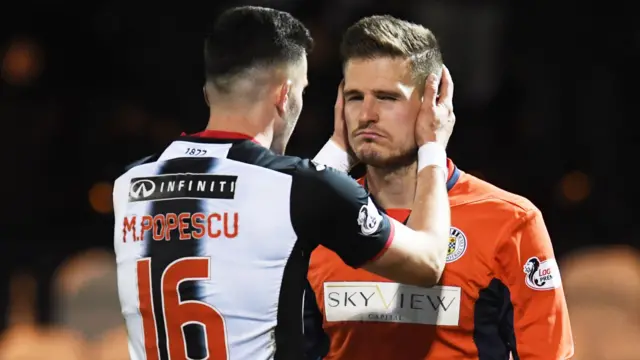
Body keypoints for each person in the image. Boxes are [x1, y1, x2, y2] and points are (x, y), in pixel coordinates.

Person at [113, 6, 455, 360]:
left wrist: (339, 149)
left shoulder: (129, 183)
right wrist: (431, 144)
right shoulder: (299, 188)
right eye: (302, 92)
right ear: (284, 95)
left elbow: (269, 223)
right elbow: (427, 261)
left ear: (208, 93)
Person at [304, 15, 574, 360]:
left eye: (387, 98)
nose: (366, 114)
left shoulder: (509, 221)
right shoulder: (318, 218)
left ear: (434, 105)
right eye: (356, 97)